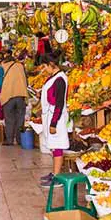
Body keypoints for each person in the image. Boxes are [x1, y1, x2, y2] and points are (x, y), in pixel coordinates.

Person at [38, 53, 70, 188]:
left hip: (56, 117)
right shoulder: (54, 77)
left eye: (45, 66)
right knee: (53, 146)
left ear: (52, 65)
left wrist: (53, 123)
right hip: (50, 115)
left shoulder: (60, 80)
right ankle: (54, 172)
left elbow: (59, 103)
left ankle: (57, 177)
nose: (44, 69)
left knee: (57, 146)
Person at [0, 52, 28, 145]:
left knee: (9, 118)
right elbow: (26, 80)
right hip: (21, 94)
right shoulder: (21, 66)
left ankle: (9, 140)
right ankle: (20, 140)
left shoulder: (2, 67)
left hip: (8, 96)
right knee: (20, 118)